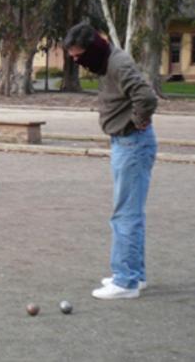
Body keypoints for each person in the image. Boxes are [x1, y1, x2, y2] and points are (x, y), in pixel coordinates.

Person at [64, 23, 158, 300]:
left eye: (78, 55)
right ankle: (135, 275)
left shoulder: (117, 64)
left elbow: (146, 97)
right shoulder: (107, 62)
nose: (76, 61)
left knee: (125, 214)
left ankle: (125, 281)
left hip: (132, 144)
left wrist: (138, 122)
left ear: (92, 49)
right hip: (125, 143)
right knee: (131, 213)